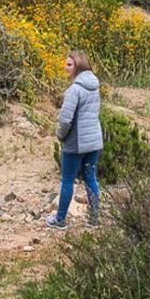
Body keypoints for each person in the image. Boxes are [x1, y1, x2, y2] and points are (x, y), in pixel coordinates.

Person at [47, 49, 103, 230]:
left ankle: (60, 219)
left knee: (67, 180)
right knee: (90, 178)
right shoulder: (95, 86)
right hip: (94, 141)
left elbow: (65, 119)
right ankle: (94, 220)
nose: (65, 67)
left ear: (78, 66)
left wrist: (60, 136)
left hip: (76, 142)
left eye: (69, 64)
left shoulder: (74, 90)